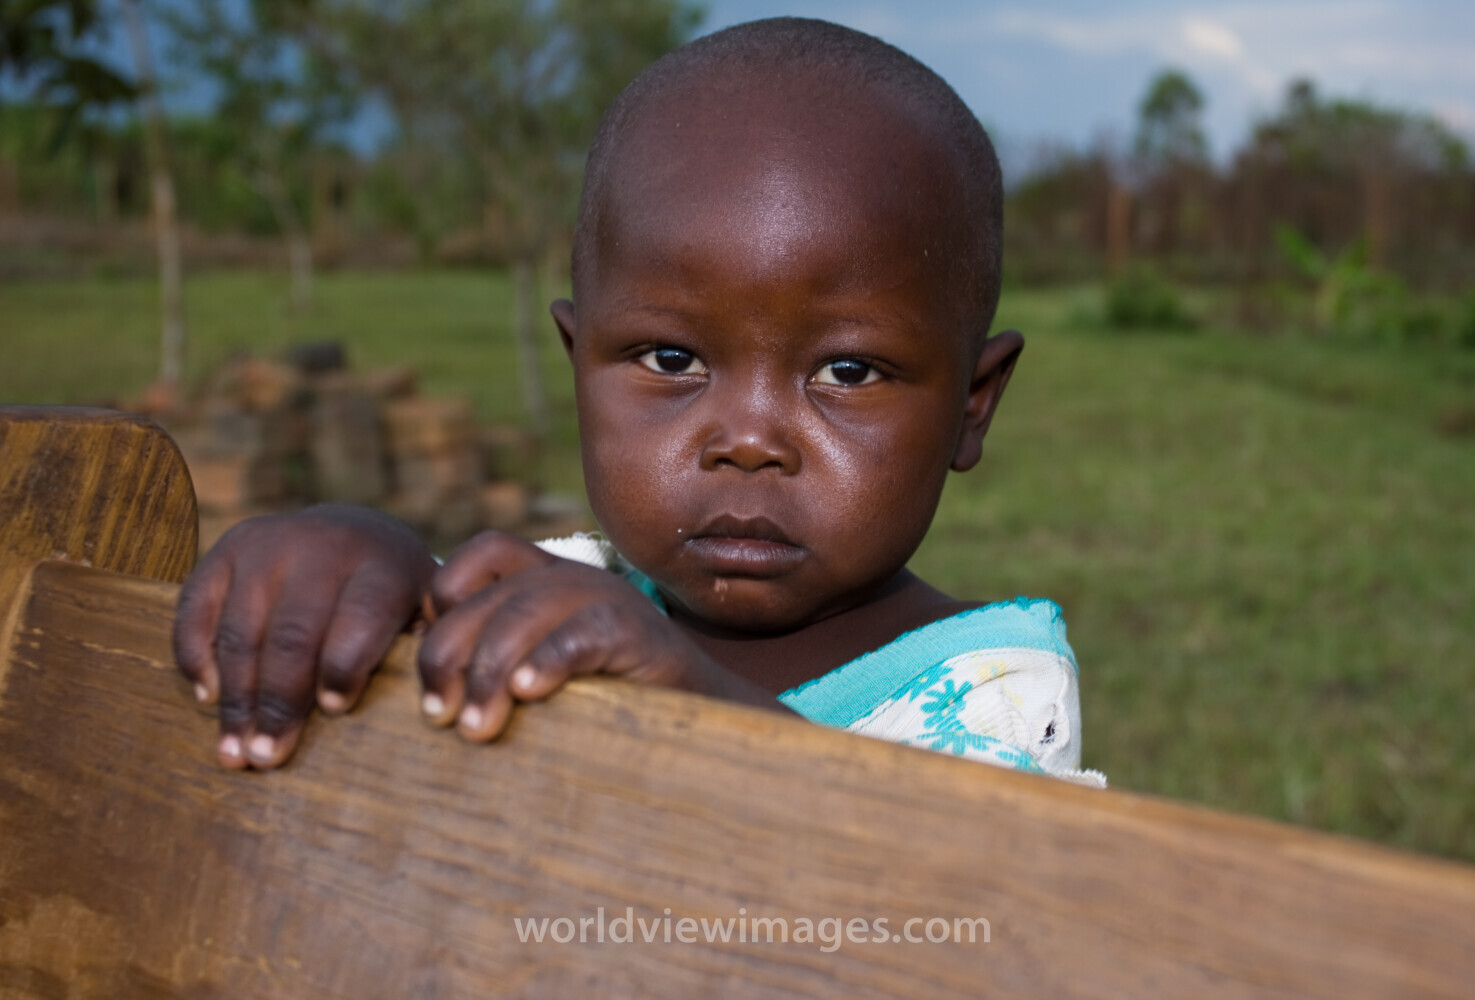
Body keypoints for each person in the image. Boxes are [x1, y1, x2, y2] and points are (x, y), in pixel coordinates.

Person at [172, 17, 1105, 788]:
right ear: (581, 369)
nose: (747, 440)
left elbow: (946, 898)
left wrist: (691, 697)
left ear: (972, 406)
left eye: (847, 374)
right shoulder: (569, 588)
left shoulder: (993, 689)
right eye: (672, 358)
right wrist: (354, 559)